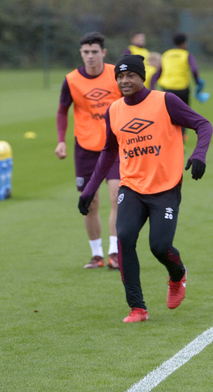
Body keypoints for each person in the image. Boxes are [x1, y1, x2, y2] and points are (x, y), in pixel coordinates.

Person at [79, 54, 213, 322]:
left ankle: (178, 275)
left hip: (166, 187)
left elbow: (203, 124)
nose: (125, 81)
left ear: (142, 77)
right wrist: (90, 190)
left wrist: (199, 155)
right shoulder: (114, 110)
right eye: (120, 76)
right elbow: (108, 152)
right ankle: (137, 307)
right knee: (125, 238)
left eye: (131, 76)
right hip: (132, 186)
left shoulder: (166, 101)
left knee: (160, 247)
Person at [56, 32, 122, 270]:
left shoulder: (116, 74)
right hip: (85, 147)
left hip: (115, 146)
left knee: (117, 197)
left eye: (95, 52)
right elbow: (63, 110)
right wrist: (61, 140)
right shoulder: (72, 79)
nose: (90, 56)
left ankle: (115, 253)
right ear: (81, 53)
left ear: (103, 52)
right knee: (90, 202)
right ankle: (97, 255)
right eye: (86, 52)